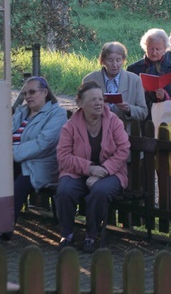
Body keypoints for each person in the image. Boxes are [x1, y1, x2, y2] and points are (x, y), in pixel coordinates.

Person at [0, 76, 67, 249]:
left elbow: (44, 143)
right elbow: (3, 133)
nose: (28, 97)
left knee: (17, 187)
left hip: (40, 165)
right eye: (25, 93)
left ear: (45, 92)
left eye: (32, 92)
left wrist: (11, 154)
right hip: (14, 161)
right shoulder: (21, 112)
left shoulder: (57, 114)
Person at [55, 82, 131, 253]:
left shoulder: (114, 121)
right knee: (64, 190)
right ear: (80, 103)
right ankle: (66, 233)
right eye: (92, 100)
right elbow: (63, 156)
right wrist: (89, 169)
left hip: (111, 173)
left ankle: (91, 235)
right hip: (78, 172)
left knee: (100, 191)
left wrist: (101, 172)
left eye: (100, 99)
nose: (98, 103)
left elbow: (123, 149)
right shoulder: (70, 126)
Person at [83, 42, 147, 127]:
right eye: (110, 60)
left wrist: (128, 109)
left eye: (118, 60)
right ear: (102, 61)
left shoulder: (135, 80)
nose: (114, 64)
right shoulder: (89, 79)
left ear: (123, 61)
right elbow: (82, 108)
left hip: (125, 132)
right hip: (97, 130)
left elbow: (143, 112)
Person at [127, 28, 171, 120]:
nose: (154, 52)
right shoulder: (133, 69)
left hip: (166, 117)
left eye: (158, 49)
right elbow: (128, 95)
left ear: (165, 49)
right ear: (145, 47)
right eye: (151, 49)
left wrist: (165, 96)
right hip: (140, 118)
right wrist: (140, 92)